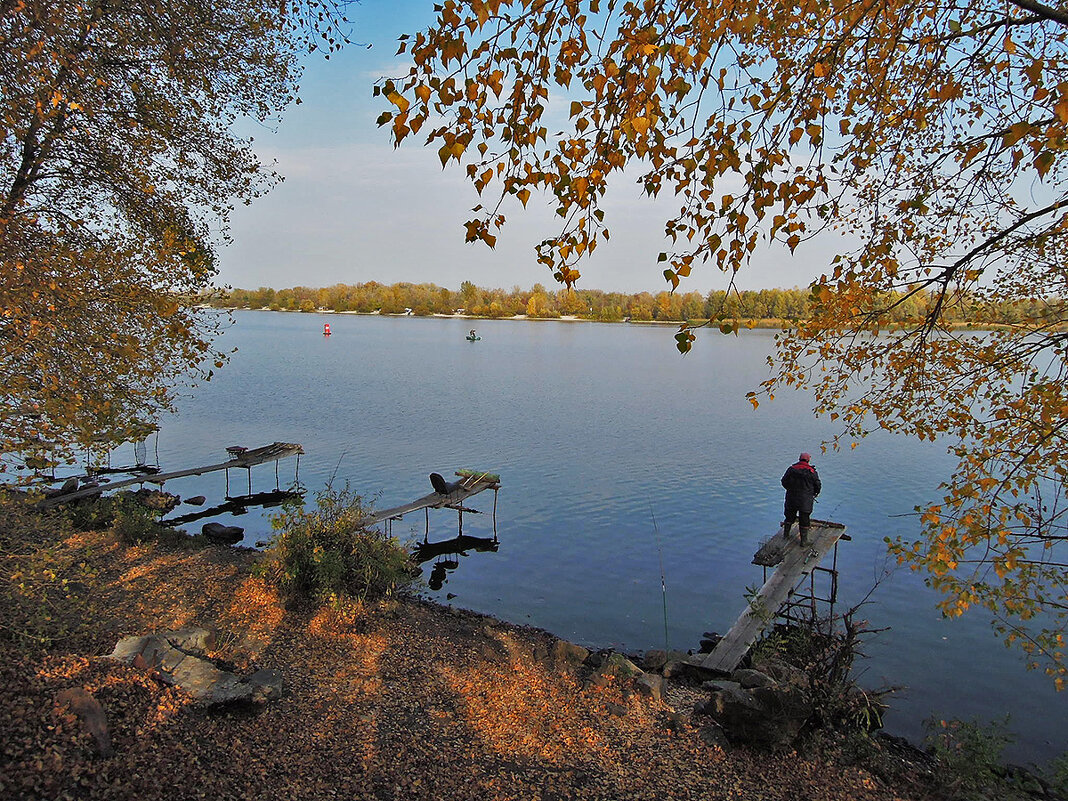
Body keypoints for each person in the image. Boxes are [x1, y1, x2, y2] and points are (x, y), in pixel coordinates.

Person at [781, 452, 821, 546]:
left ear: (799, 459)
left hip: (791, 498)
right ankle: (803, 541)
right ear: (808, 460)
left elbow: (783, 481)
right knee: (804, 519)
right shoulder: (812, 472)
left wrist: (789, 489)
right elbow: (818, 485)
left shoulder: (791, 469)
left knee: (789, 517)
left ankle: (786, 535)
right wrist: (814, 493)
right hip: (805, 500)